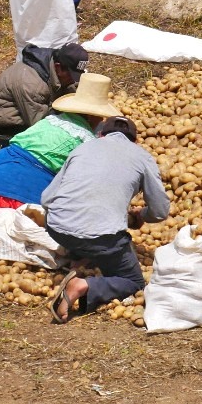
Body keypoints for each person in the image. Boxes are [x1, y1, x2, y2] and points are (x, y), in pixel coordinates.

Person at [45, 117, 169, 324]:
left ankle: (78, 257)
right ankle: (83, 286)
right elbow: (160, 211)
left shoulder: (82, 149)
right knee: (134, 281)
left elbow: (47, 199)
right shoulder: (142, 157)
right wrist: (140, 216)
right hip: (100, 239)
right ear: (134, 141)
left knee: (82, 226)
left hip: (56, 227)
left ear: (101, 134)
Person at [0, 73, 121, 211]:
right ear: (91, 116)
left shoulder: (52, 120)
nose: (101, 120)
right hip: (24, 180)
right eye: (100, 116)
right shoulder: (86, 140)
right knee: (15, 231)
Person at [0, 42, 88, 138]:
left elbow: (74, 88)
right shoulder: (32, 84)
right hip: (0, 117)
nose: (73, 80)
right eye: (71, 76)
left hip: (30, 106)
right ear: (58, 67)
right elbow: (39, 123)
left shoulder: (55, 63)